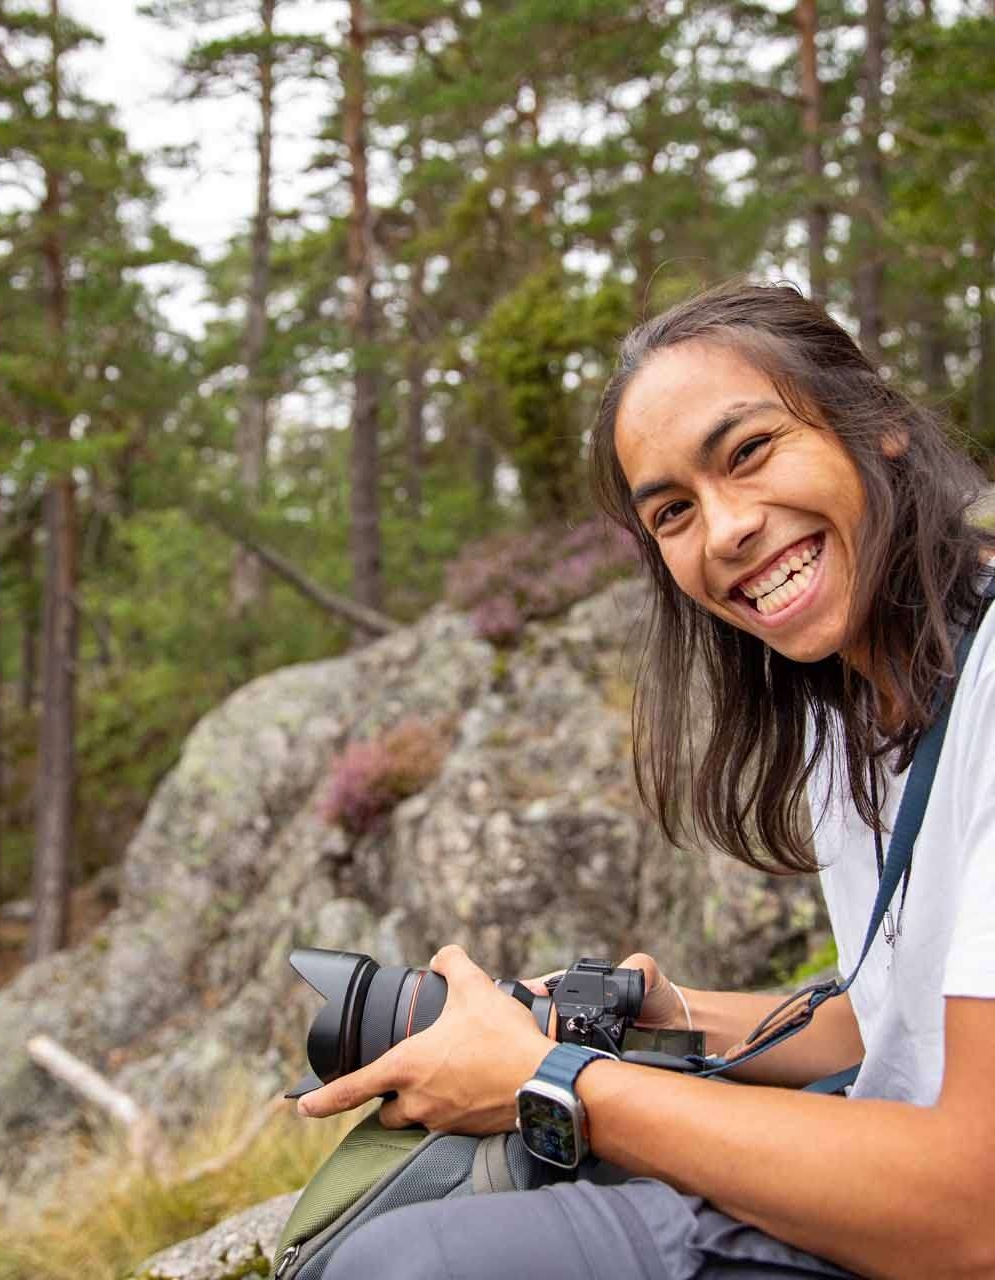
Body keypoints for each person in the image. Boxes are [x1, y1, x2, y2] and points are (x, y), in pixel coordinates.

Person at [297, 282, 995, 1279]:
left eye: (747, 451)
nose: (723, 532)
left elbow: (975, 1210)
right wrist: (672, 1016)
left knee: (411, 1264)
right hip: (895, 1186)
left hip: (936, 1218)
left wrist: (551, 1074)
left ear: (874, 425)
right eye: (672, 510)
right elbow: (902, 1018)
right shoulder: (857, 706)